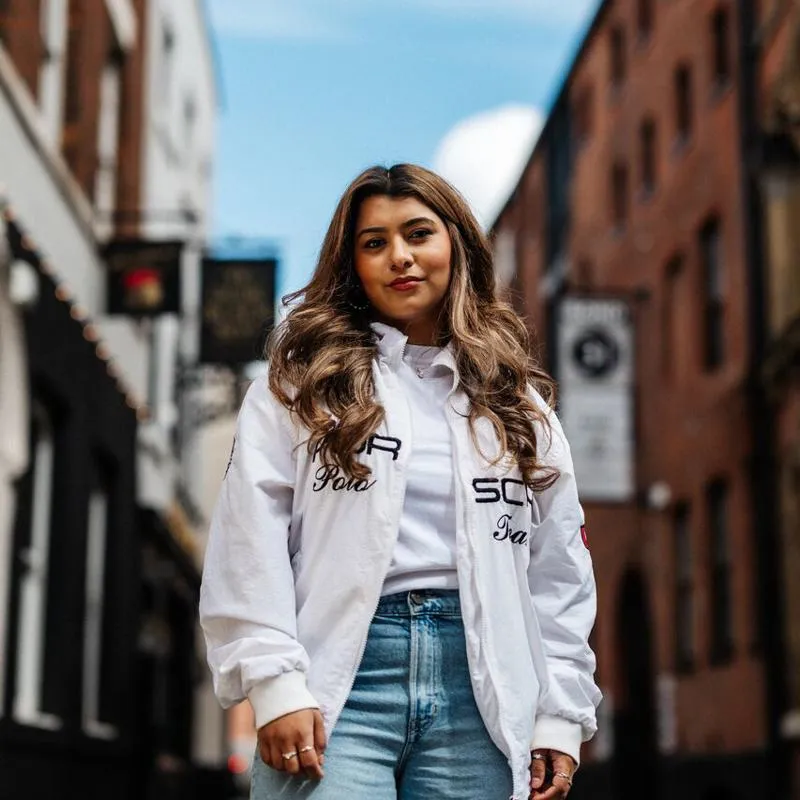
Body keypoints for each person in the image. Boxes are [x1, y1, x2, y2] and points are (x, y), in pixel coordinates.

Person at [199, 164, 601, 800]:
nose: (400, 257)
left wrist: (560, 713)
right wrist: (272, 683)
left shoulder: (517, 405)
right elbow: (248, 537)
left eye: (418, 234)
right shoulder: (301, 386)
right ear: (352, 262)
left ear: (456, 247)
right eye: (374, 242)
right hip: (341, 681)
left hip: (485, 683)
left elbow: (559, 570)